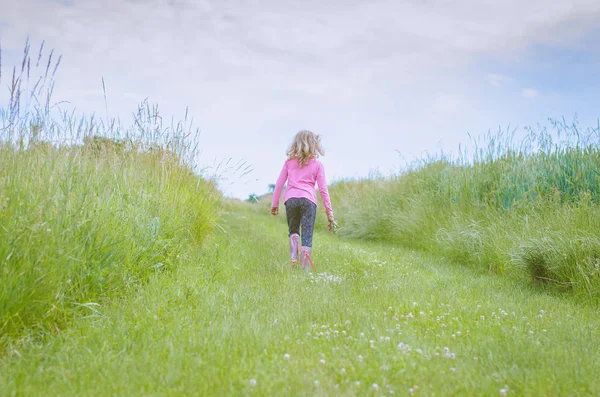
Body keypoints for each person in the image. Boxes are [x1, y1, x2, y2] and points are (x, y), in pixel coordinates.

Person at [270, 130, 335, 270]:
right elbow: (323, 189)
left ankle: (294, 256)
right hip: (308, 201)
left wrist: (274, 204)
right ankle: (304, 269)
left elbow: (279, 183)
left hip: (291, 200)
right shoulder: (318, 165)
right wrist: (329, 212)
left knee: (293, 229)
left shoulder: (289, 163)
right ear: (314, 145)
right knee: (307, 234)